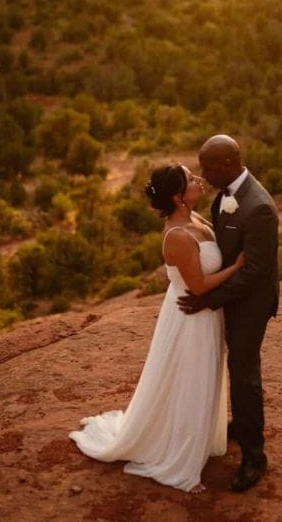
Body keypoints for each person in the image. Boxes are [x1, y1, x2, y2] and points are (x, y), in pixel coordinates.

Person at [69, 163, 243, 493]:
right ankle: (180, 460)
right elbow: (199, 286)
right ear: (178, 197)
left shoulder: (194, 218)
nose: (198, 180)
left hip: (205, 314)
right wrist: (237, 267)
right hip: (190, 319)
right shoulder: (177, 236)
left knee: (202, 378)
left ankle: (198, 437)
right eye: (190, 179)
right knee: (191, 382)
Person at [178, 135, 279, 493]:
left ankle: (254, 458)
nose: (203, 175)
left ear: (227, 164)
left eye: (207, 168)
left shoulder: (258, 206)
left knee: (244, 373)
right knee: (233, 367)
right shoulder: (225, 195)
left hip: (251, 305)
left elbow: (255, 271)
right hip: (233, 298)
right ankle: (242, 424)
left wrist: (210, 299)